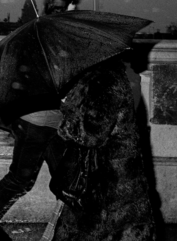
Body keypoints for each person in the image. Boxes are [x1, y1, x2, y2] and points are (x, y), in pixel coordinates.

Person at [0, 0, 76, 241]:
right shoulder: (58, 40)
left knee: (48, 179)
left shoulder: (33, 35)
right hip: (44, 122)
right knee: (53, 180)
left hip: (31, 120)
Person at [49, 55, 156, 241]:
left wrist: (67, 117)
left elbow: (90, 135)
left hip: (104, 180)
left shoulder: (104, 79)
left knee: (98, 229)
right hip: (114, 174)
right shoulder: (111, 76)